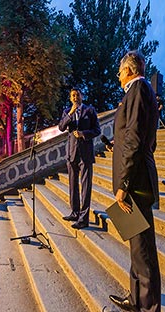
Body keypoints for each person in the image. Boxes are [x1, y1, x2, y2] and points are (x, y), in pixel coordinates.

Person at [108, 51, 161, 312]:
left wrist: (123, 184)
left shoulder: (139, 89)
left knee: (143, 247)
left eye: (119, 71)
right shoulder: (136, 91)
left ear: (129, 70)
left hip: (135, 181)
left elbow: (136, 140)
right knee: (136, 244)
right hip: (134, 177)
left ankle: (149, 305)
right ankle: (136, 296)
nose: (118, 75)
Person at [58, 88, 101, 229]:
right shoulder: (66, 112)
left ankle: (84, 219)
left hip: (86, 154)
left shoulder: (90, 111)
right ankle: (75, 212)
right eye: (73, 96)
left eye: (77, 95)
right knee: (72, 185)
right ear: (70, 98)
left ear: (82, 96)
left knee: (86, 187)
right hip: (72, 154)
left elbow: (97, 130)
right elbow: (61, 127)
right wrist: (70, 114)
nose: (75, 97)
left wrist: (83, 133)